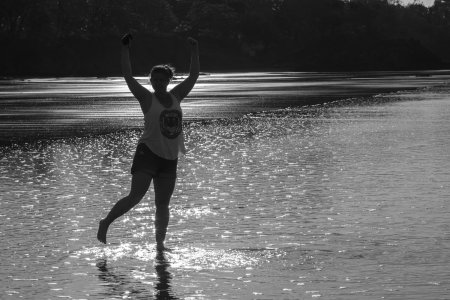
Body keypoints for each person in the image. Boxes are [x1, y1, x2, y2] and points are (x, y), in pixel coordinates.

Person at [97, 33, 199, 251]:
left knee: (162, 204)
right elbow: (127, 76)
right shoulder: (146, 98)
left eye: (163, 80)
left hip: (170, 156)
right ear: (151, 81)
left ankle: (160, 246)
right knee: (135, 197)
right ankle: (106, 223)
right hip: (148, 153)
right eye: (155, 80)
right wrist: (125, 49)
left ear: (168, 81)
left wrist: (194, 50)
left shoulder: (176, 96)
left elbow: (194, 75)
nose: (159, 83)